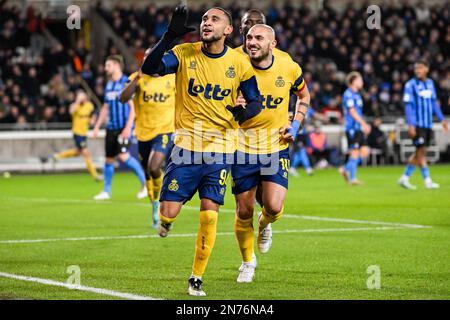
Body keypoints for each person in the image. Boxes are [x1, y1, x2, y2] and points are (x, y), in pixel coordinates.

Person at [141, 6, 263, 296]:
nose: (207, 23)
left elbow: (256, 101)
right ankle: (166, 223)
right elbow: (149, 68)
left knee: (210, 213)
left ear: (228, 30)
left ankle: (196, 278)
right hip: (184, 150)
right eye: (205, 19)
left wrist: (242, 115)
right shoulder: (185, 54)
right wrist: (170, 36)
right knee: (168, 212)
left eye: (215, 19)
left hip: (221, 150)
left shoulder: (240, 62)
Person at [231, 24, 310, 283]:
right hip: (242, 148)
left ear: (272, 44)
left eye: (258, 38)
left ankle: (265, 226)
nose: (252, 42)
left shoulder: (288, 67)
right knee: (243, 211)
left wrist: (296, 125)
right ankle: (247, 262)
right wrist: (232, 104)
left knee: (273, 207)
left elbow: (304, 96)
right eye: (249, 37)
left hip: (276, 146)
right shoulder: (235, 64)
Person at [120, 49, 175, 229]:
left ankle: (160, 203)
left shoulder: (172, 78)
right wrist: (136, 80)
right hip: (143, 133)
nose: (147, 60)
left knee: (154, 166)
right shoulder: (138, 77)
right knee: (148, 174)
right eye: (146, 57)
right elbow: (122, 98)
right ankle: (154, 204)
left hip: (165, 131)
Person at [92, 55, 147, 200]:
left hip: (123, 127)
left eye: (108, 65)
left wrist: (128, 127)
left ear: (116, 66)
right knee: (108, 159)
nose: (105, 68)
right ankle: (106, 191)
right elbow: (105, 107)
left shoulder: (125, 82)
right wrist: (97, 126)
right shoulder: (109, 84)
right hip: (111, 128)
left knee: (124, 156)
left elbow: (132, 107)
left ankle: (145, 185)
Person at [398, 60, 448, 189]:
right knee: (421, 151)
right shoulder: (410, 85)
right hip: (417, 124)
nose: (418, 71)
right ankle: (427, 180)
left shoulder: (430, 83)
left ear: (427, 69)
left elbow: (433, 103)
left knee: (421, 151)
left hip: (428, 124)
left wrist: (442, 119)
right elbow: (408, 106)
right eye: (416, 68)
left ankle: (404, 178)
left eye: (420, 68)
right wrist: (411, 125)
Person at [52, 90, 101, 181]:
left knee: (78, 152)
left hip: (84, 133)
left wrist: (93, 120)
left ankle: (58, 156)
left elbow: (92, 117)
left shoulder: (89, 105)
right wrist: (77, 101)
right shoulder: (75, 105)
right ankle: (95, 175)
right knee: (86, 153)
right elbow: (71, 111)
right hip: (77, 133)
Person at [338, 71, 371, 185]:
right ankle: (351, 176)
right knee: (355, 152)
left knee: (365, 151)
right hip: (352, 128)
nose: (362, 82)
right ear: (353, 81)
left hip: (358, 128)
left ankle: (347, 170)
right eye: (360, 80)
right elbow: (352, 111)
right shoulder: (348, 94)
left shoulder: (357, 95)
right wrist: (364, 124)